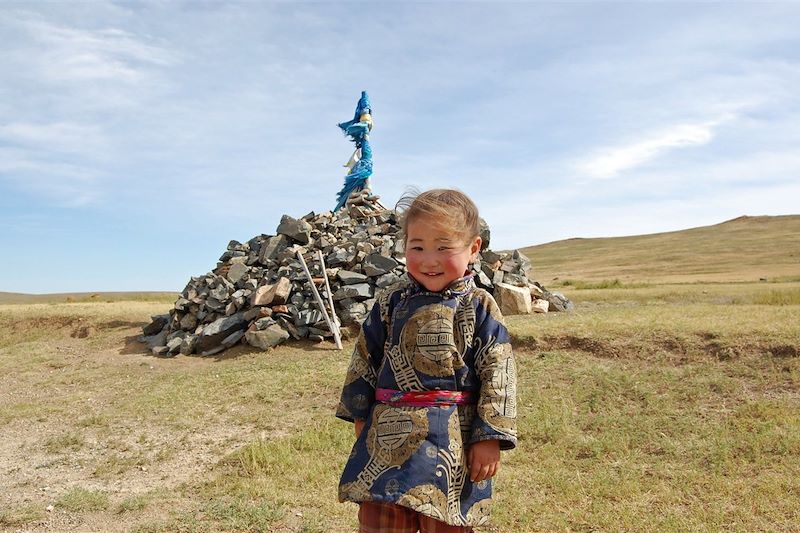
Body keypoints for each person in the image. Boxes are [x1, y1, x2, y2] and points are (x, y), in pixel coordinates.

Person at [336, 188, 517, 532]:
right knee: (380, 521)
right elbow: (364, 359)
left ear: (473, 248)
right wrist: (361, 413)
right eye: (417, 247)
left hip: (453, 442)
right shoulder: (390, 302)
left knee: (447, 524)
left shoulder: (479, 307)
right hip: (387, 441)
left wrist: (489, 436)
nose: (429, 259)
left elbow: (500, 373)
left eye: (444, 247)